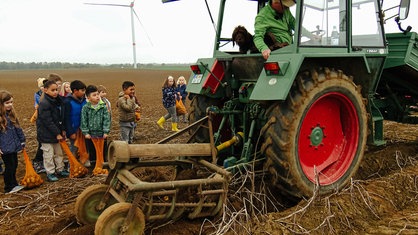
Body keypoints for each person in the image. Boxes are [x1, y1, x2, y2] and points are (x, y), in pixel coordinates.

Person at [36, 80, 69, 182]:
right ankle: (50, 172)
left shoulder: (58, 101)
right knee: (48, 154)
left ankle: (60, 169)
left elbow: (61, 117)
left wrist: (63, 129)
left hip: (57, 132)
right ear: (45, 90)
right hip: (46, 134)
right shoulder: (44, 103)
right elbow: (48, 121)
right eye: (53, 90)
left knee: (59, 153)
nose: (55, 92)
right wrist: (57, 133)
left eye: (56, 90)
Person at [0, 90, 26, 193]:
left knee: (14, 164)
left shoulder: (11, 115)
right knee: (9, 166)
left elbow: (18, 129)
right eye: (7, 103)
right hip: (5, 148)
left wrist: (22, 141)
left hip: (13, 146)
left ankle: (14, 184)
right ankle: (8, 187)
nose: (10, 105)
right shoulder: (1, 118)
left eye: (11, 102)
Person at [80, 85, 111, 166]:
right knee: (92, 150)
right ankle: (94, 166)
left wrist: (106, 131)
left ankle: (103, 165)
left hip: (101, 134)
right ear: (88, 97)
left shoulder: (103, 106)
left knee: (103, 150)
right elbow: (83, 121)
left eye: (97, 94)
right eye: (94, 95)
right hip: (90, 134)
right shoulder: (85, 108)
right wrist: (86, 133)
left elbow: (106, 120)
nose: (97, 96)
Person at [63, 80, 87, 158]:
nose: (84, 92)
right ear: (75, 91)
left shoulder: (85, 101)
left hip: (84, 130)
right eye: (82, 90)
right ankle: (73, 164)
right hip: (74, 130)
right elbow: (66, 118)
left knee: (84, 147)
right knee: (74, 148)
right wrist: (70, 132)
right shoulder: (68, 102)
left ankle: (83, 163)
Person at [32, 77, 47, 173]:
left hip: (46, 122)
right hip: (42, 122)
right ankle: (37, 161)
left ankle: (44, 162)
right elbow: (37, 105)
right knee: (42, 143)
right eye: (41, 86)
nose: (42, 88)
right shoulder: (38, 95)